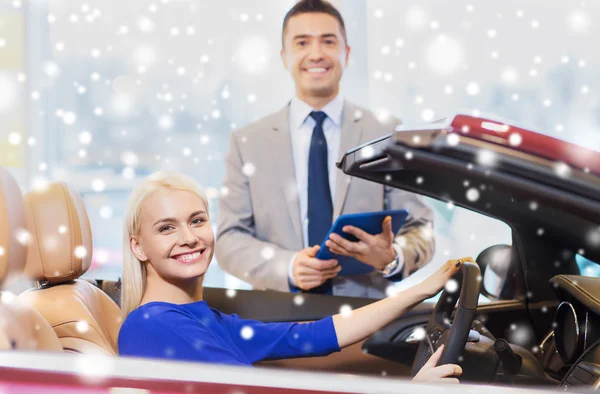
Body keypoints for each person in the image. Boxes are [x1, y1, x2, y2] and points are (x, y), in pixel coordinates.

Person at [118, 171, 467, 383]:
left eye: (196, 220)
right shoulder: (155, 324)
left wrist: (419, 291)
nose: (189, 238)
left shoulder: (198, 318)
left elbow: (314, 335)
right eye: (166, 228)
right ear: (139, 247)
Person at [216, 0, 435, 298]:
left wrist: (393, 256)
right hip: (278, 318)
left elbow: (421, 229)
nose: (316, 54)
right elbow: (229, 239)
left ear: (346, 53)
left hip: (364, 316)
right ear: (284, 56)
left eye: (328, 41)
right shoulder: (247, 142)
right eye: (302, 42)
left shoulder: (387, 135)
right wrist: (287, 266)